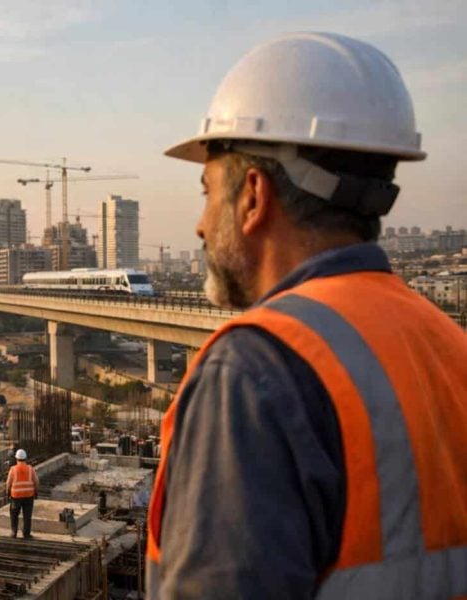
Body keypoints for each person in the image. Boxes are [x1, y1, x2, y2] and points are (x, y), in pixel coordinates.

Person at [146, 32, 467, 599]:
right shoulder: (447, 343)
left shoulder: (256, 370)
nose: (199, 225)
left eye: (206, 191)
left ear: (252, 195)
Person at [6, 449, 40, 540]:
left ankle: (14, 532)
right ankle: (26, 534)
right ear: (25, 458)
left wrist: (7, 493)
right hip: (29, 496)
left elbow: (8, 483)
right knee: (27, 516)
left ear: (16, 459)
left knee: (14, 514)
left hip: (16, 496)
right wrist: (36, 492)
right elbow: (36, 481)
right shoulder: (30, 468)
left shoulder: (13, 469)